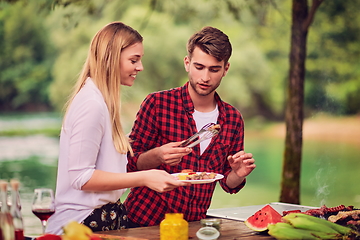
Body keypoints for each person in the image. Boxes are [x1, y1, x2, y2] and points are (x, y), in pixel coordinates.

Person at [46, 22, 189, 235]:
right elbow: (81, 177)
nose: (140, 67)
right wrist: (144, 178)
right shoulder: (91, 104)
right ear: (111, 58)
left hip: (103, 220)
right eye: (134, 60)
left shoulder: (103, 102)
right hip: (81, 225)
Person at [124, 26, 256, 227]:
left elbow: (228, 184)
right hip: (143, 221)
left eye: (214, 69)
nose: (205, 77)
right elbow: (129, 164)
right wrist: (158, 155)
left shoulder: (233, 119)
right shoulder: (158, 104)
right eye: (199, 67)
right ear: (187, 63)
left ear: (225, 69)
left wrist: (237, 174)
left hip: (192, 226)